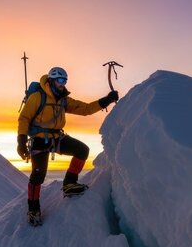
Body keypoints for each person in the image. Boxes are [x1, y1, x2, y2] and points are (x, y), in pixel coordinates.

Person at [17, 66, 119, 225]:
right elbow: (24, 118)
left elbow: (84, 109)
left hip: (57, 137)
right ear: (51, 80)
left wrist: (106, 100)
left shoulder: (63, 99)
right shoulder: (38, 97)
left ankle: (69, 183)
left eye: (64, 80)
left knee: (82, 150)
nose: (62, 83)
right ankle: (33, 209)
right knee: (39, 175)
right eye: (59, 80)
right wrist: (21, 141)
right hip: (39, 139)